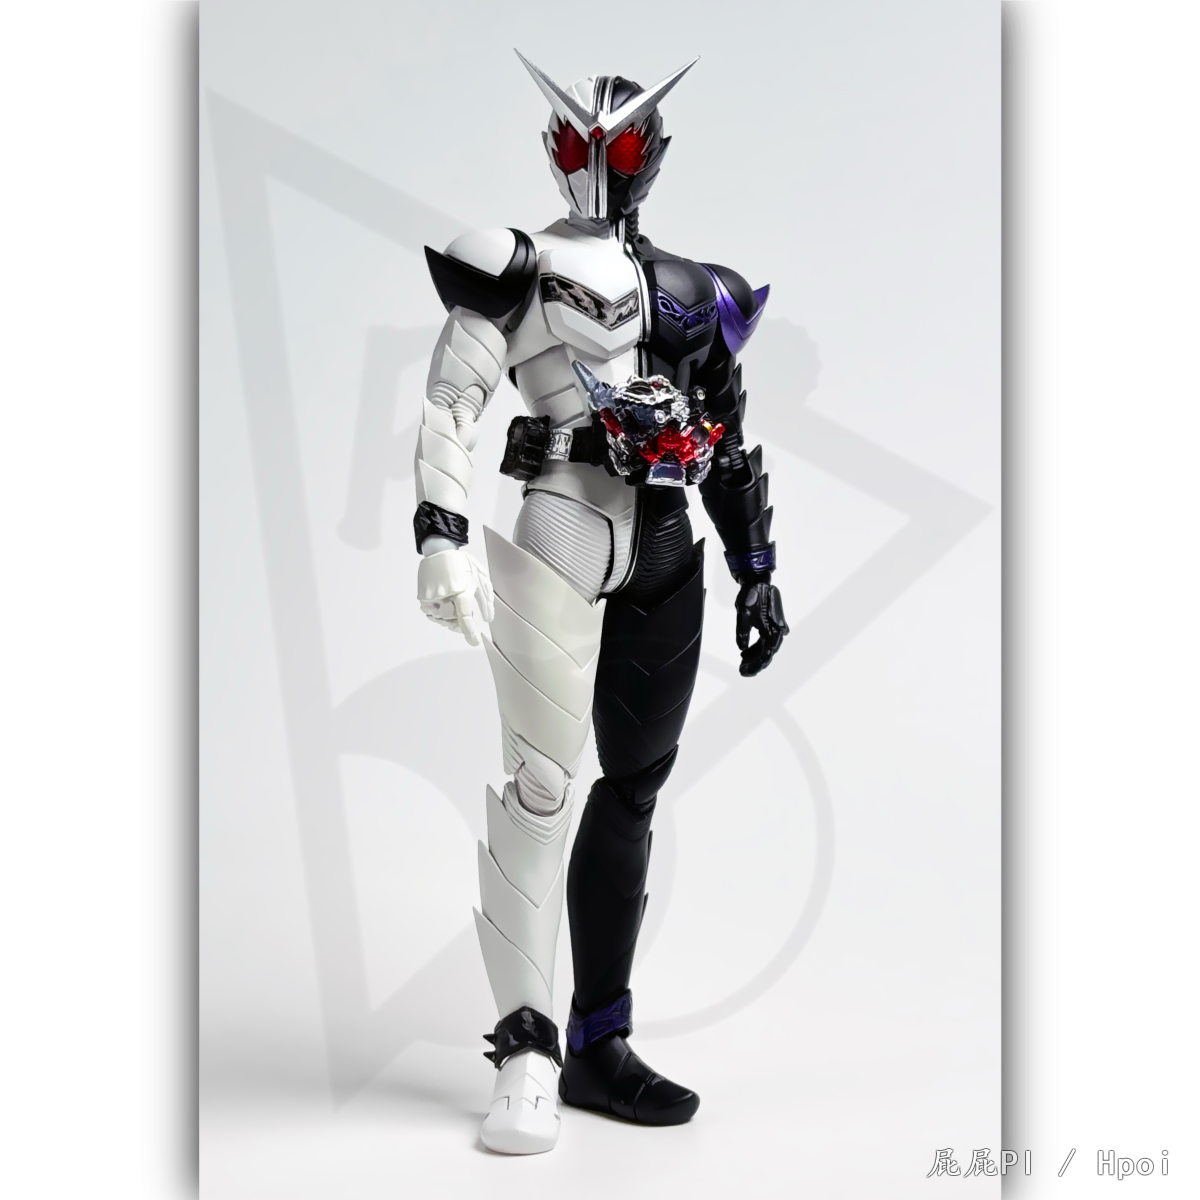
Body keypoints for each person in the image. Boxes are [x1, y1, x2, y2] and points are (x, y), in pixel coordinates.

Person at [412, 52, 788, 1154]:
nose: (600, 164)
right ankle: (526, 1051)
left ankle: (598, 1042)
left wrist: (758, 568)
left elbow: (726, 442)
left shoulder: (696, 292)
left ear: (651, 153)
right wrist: (440, 534)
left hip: (665, 547)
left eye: (619, 145)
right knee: (541, 791)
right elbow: (452, 405)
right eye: (581, 144)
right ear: (554, 149)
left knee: (630, 795)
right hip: (562, 531)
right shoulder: (517, 265)